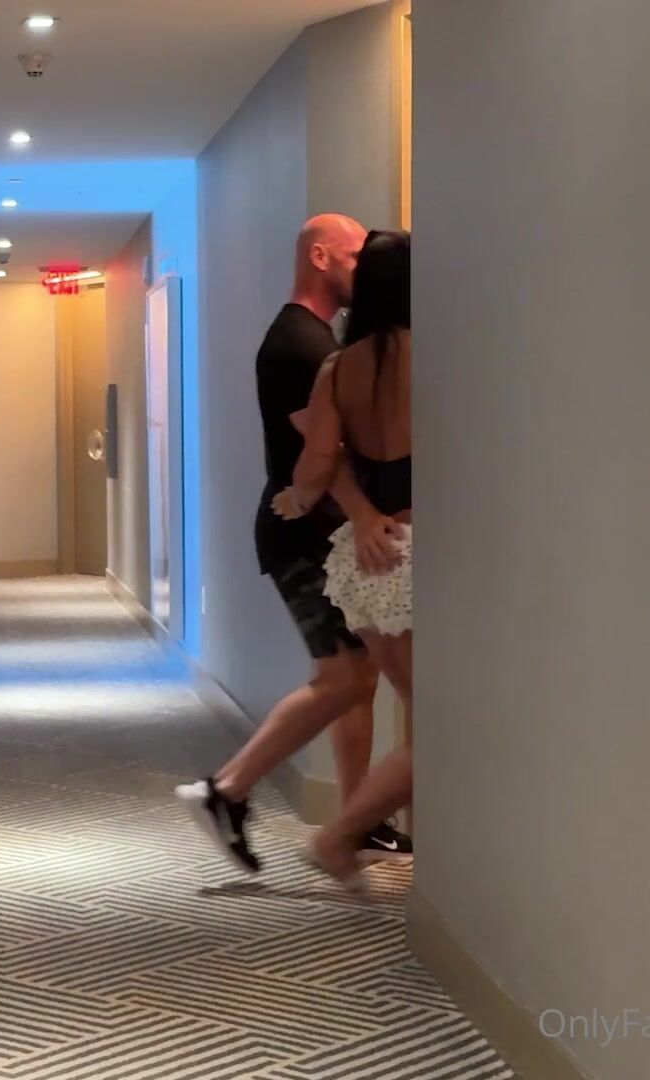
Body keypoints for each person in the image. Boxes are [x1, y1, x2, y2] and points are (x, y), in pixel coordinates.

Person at [175, 215, 410, 873]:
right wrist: (363, 514)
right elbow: (322, 455)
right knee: (346, 677)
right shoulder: (301, 344)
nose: (362, 269)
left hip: (323, 531)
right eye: (354, 256)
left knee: (355, 678)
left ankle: (353, 818)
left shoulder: (324, 343)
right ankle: (232, 791)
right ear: (321, 256)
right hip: (304, 535)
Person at [271, 230, 416, 887]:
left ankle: (360, 838)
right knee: (441, 724)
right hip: (417, 551)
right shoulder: (440, 355)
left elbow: (318, 464)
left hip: (365, 562)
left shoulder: (338, 367)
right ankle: (339, 837)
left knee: (420, 712)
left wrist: (301, 499)